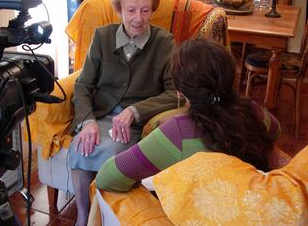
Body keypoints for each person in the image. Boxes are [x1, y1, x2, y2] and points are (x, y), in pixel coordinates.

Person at [96, 37, 281, 192]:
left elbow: (106, 178)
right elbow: (275, 131)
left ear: (179, 91)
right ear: (231, 78)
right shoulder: (255, 112)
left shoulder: (177, 132)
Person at [69, 0, 178, 225]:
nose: (138, 18)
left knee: (114, 152)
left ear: (152, 9)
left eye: (145, 10)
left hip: (138, 124)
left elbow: (174, 94)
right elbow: (83, 84)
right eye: (130, 10)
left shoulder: (165, 43)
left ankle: (107, 216)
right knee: (81, 145)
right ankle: (84, 215)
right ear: (118, 10)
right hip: (101, 114)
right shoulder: (102, 37)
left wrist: (136, 111)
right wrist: (87, 121)